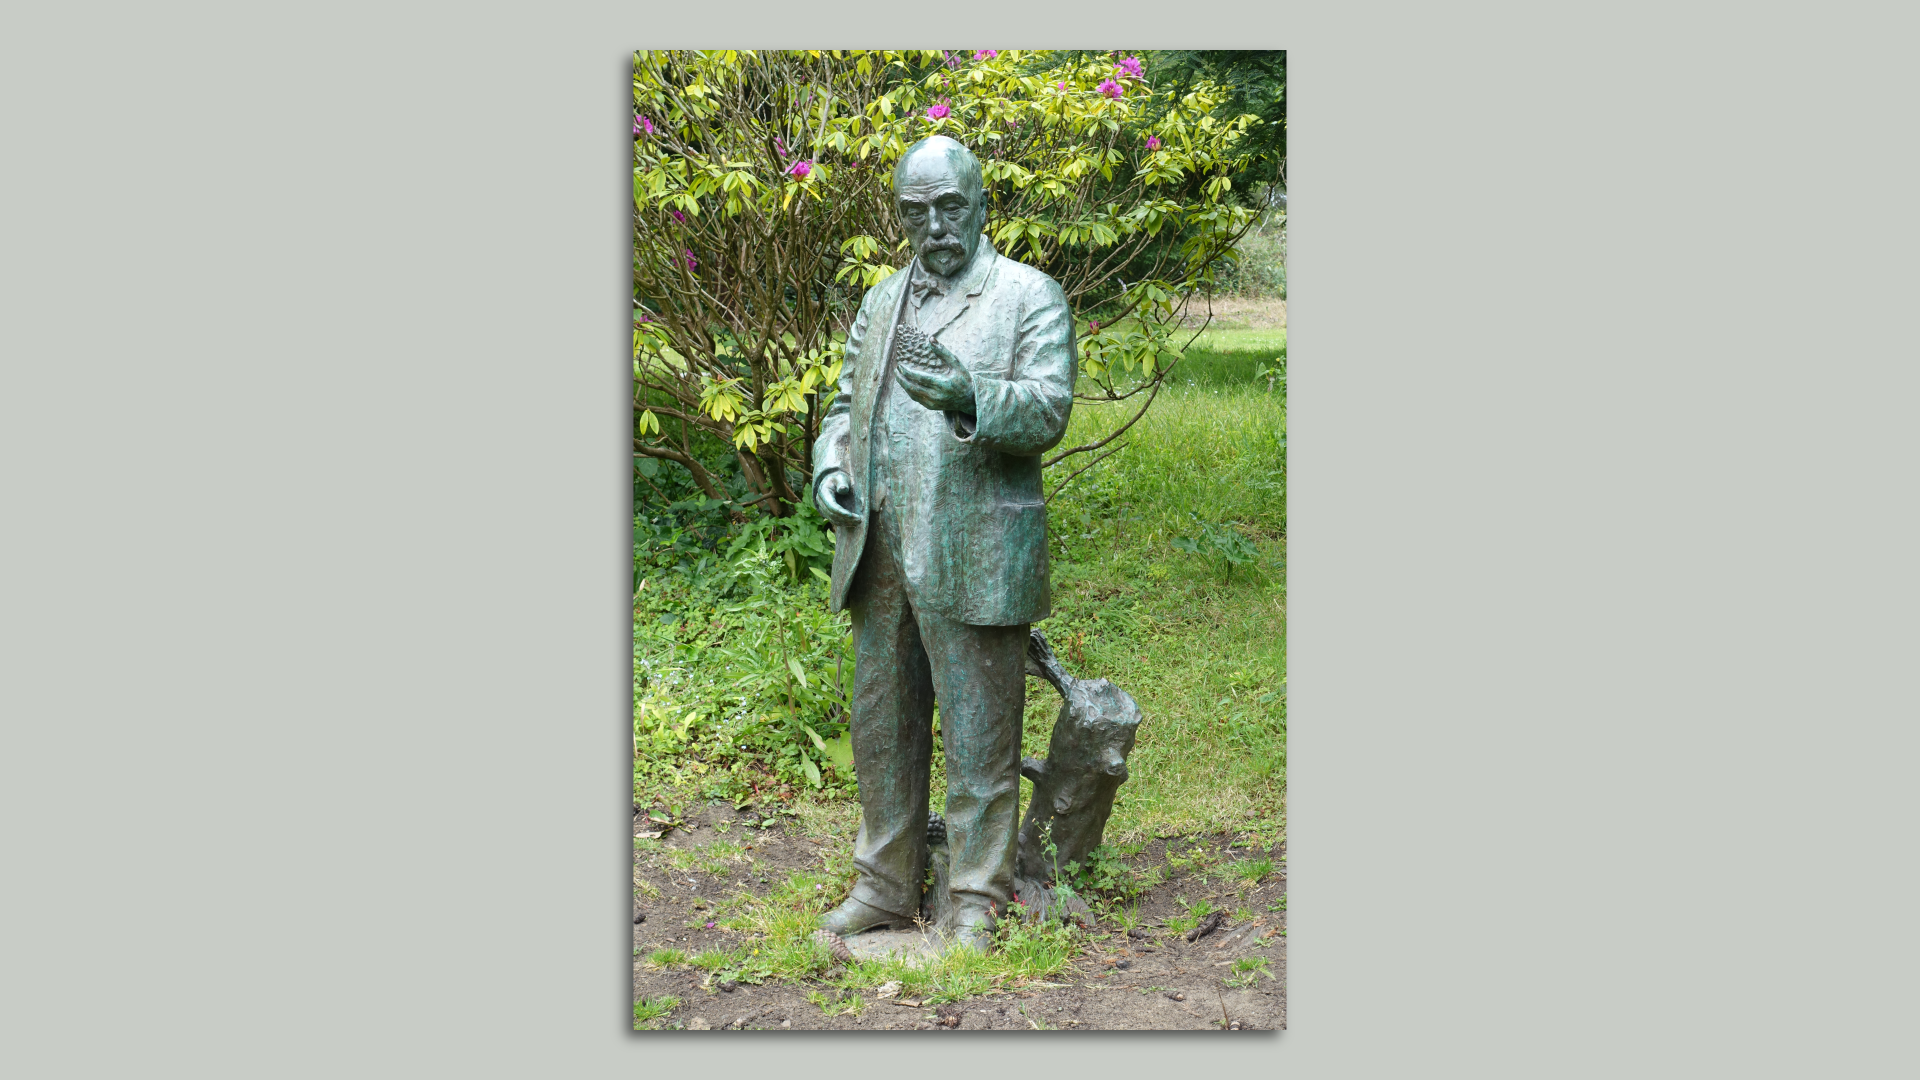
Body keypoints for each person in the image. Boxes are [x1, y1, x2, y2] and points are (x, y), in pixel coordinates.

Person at [811, 135, 1076, 952]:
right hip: (880, 552)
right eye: (915, 212)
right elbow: (845, 408)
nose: (934, 227)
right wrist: (829, 466)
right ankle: (885, 885)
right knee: (883, 730)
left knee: (979, 736)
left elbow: (1048, 410)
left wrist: (971, 395)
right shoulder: (882, 301)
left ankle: (974, 899)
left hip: (973, 550)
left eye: (949, 207)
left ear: (981, 202)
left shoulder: (1027, 295)